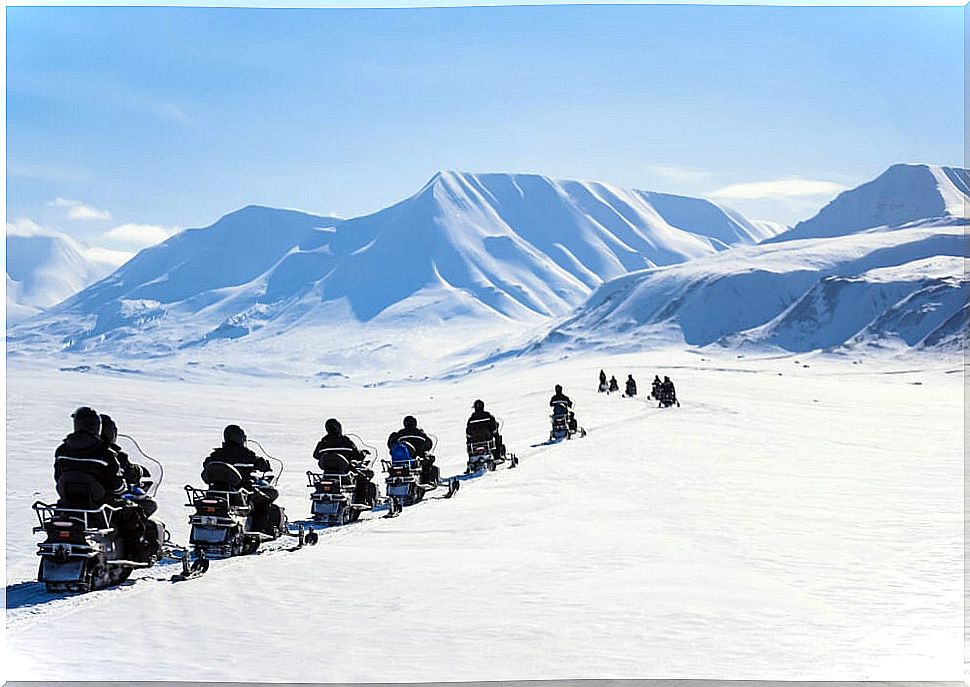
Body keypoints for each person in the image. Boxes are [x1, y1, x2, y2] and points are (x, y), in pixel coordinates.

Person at [99, 414, 161, 561]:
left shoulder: (68, 451)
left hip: (73, 503)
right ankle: (137, 550)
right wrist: (137, 472)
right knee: (140, 510)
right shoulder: (111, 455)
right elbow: (121, 480)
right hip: (106, 501)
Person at [203, 425, 282, 536]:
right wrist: (265, 465)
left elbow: (206, 465)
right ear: (239, 438)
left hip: (216, 493)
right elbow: (262, 464)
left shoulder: (216, 454)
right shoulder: (245, 454)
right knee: (265, 500)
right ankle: (258, 531)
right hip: (240, 492)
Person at [54, 407, 127, 507]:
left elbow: (58, 477)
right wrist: (123, 487)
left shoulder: (61, 451)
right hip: (98, 505)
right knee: (132, 513)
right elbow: (116, 485)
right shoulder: (105, 454)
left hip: (68, 502)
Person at [313, 418, 375, 506]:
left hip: (327, 473)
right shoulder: (345, 441)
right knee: (362, 477)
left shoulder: (323, 442)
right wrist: (363, 453)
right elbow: (357, 455)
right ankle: (360, 500)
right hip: (344, 472)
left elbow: (315, 455)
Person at [387, 415, 437, 485]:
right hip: (415, 460)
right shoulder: (420, 433)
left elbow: (391, 444)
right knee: (430, 459)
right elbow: (429, 445)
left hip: (399, 461)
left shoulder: (400, 433)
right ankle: (426, 480)